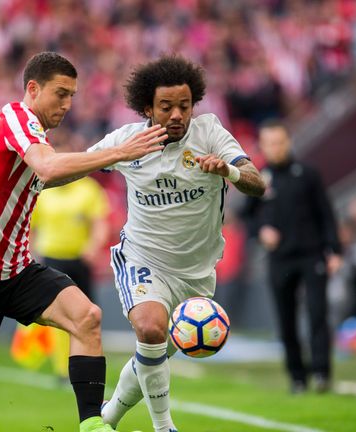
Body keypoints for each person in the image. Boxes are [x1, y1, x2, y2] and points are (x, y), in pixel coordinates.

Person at [0, 52, 168, 432]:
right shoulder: (15, 118)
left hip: (16, 271)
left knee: (87, 318)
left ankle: (93, 425)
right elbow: (46, 166)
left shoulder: (21, 130)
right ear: (32, 88)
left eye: (72, 95)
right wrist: (121, 152)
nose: (67, 104)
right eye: (61, 94)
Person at [89, 56, 266, 432]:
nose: (176, 115)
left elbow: (257, 182)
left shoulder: (210, 133)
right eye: (166, 107)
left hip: (197, 273)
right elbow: (74, 166)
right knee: (151, 330)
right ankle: (165, 427)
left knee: (150, 356)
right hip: (143, 257)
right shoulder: (127, 141)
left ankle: (108, 419)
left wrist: (228, 170)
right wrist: (25, 179)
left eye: (184, 106)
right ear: (147, 108)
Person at [240, 120, 342, 394]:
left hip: (312, 254)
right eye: (270, 143)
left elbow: (326, 213)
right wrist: (261, 231)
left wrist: (335, 250)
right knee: (286, 320)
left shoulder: (307, 173)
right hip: (280, 260)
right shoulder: (259, 177)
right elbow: (246, 215)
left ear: (288, 142)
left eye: (280, 142)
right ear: (263, 146)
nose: (276, 148)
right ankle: (297, 377)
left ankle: (321, 372)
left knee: (317, 313)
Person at [11, 157, 111, 381]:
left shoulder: (88, 189)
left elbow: (100, 223)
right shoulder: (43, 191)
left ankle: (87, 360)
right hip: (51, 259)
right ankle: (62, 367)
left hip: (79, 260)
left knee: (88, 314)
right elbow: (29, 226)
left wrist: (92, 247)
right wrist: (30, 253)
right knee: (60, 317)